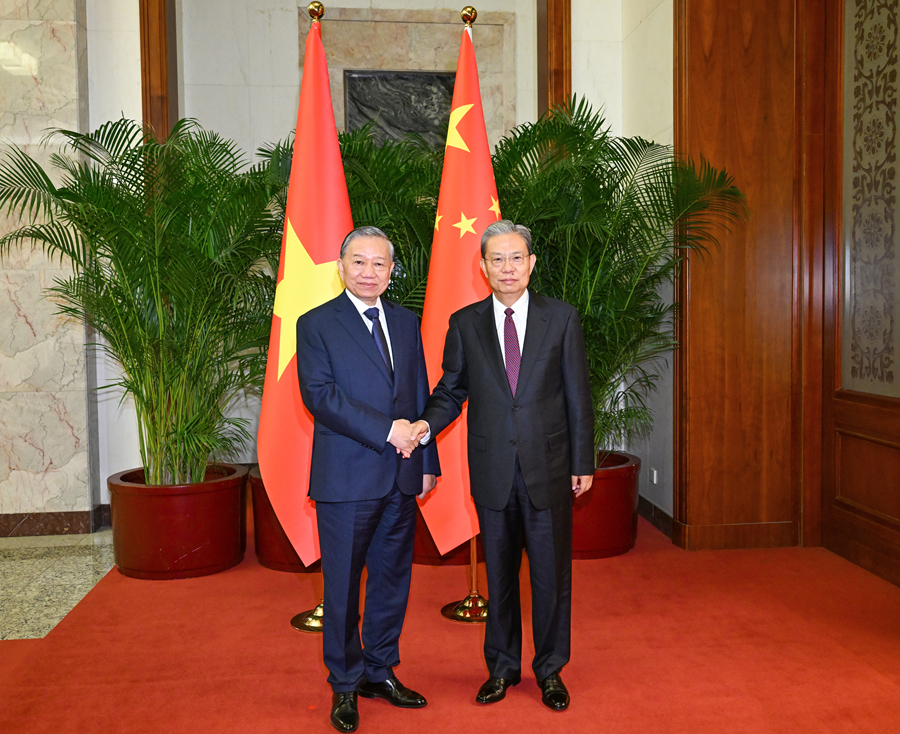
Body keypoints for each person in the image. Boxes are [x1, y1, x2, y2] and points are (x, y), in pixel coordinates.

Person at [412, 220, 593, 711]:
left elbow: (578, 395)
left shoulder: (562, 318)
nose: (507, 267)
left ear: (531, 263)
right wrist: (424, 425)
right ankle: (502, 668)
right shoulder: (465, 323)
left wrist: (582, 460)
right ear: (483, 267)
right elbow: (451, 390)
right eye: (497, 259)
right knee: (500, 578)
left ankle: (551, 669)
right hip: (492, 470)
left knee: (551, 578)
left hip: (549, 467)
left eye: (516, 258)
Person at [295, 226, 439, 733]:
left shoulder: (405, 321)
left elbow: (418, 393)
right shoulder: (316, 323)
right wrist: (387, 431)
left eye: (379, 263)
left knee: (392, 581)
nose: (368, 272)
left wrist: (427, 462)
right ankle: (345, 683)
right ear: (341, 267)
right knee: (342, 588)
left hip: (402, 475)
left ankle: (380, 672)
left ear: (392, 271)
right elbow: (320, 397)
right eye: (359, 262)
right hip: (347, 479)